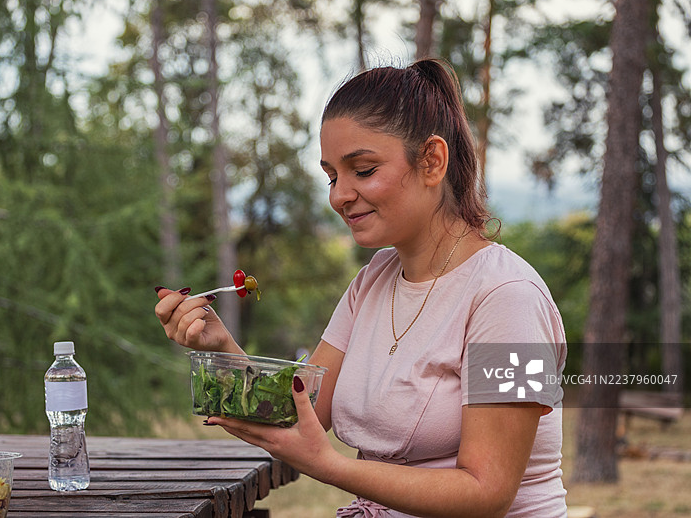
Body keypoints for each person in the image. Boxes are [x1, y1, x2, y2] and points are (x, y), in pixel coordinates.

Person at [155, 58, 568, 518]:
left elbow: (488, 492)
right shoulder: (373, 280)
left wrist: (327, 465)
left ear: (432, 161)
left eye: (363, 170)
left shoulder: (511, 298)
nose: (339, 195)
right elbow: (299, 409)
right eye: (332, 176)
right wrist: (221, 347)